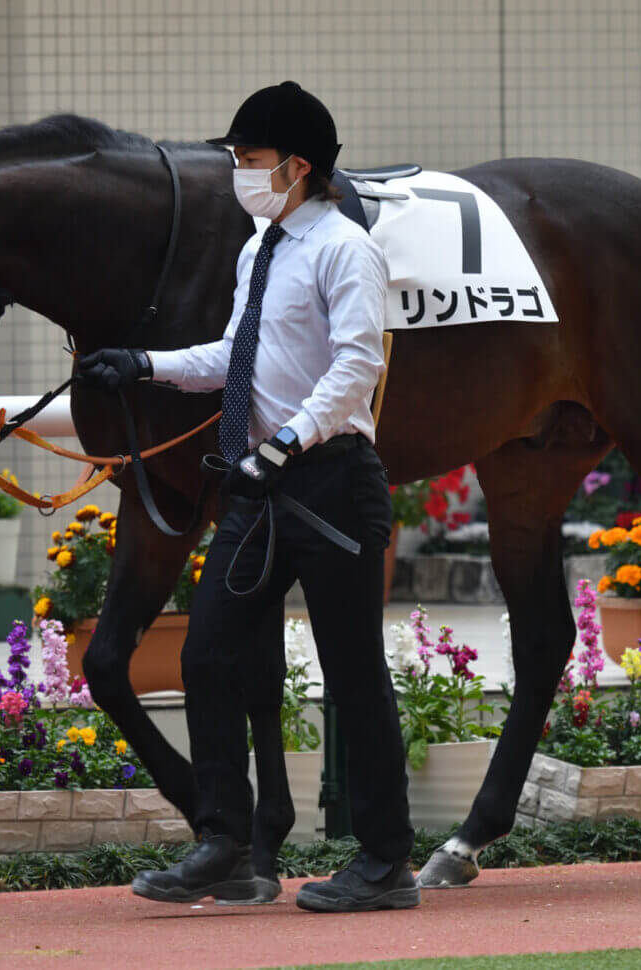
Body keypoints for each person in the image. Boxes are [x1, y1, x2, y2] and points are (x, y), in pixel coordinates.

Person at [78, 81, 418, 913]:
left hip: (332, 485)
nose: (238, 170)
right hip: (259, 490)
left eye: (251, 158)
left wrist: (284, 443)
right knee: (207, 656)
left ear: (299, 166)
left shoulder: (345, 249)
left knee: (353, 674)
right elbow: (234, 353)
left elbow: (355, 368)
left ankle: (384, 863)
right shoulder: (259, 248)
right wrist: (146, 363)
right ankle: (227, 844)